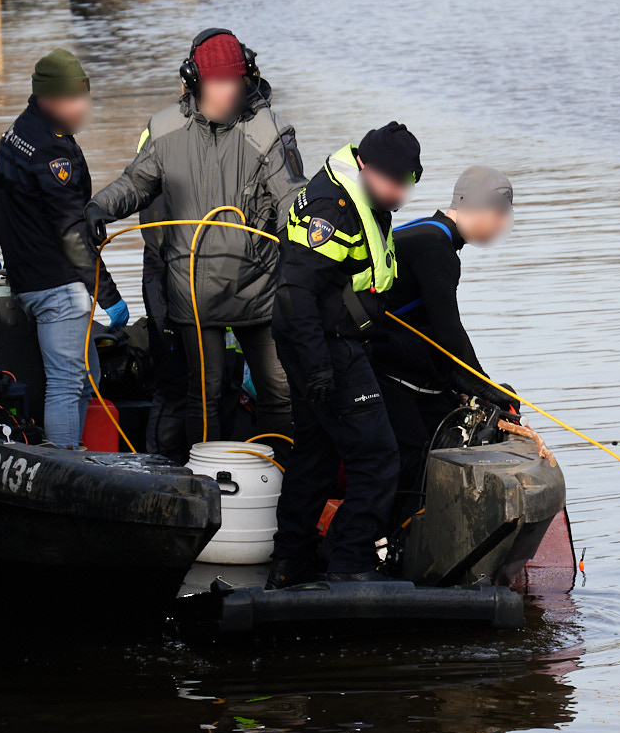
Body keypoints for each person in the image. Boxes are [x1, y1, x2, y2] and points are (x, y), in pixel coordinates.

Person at [89, 29, 304, 458]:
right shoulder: (165, 129)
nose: (228, 91)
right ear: (194, 80)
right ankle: (206, 483)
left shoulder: (270, 131)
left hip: (258, 291)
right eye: (218, 82)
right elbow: (136, 182)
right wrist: (98, 208)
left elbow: (290, 201)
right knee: (203, 396)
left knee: (279, 391)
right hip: (193, 292)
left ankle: (281, 481)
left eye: (235, 81)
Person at [266, 122, 422, 587]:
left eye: (407, 184)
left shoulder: (367, 199)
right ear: (365, 167)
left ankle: (289, 563)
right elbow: (295, 294)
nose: (399, 193)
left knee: (314, 456)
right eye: (393, 183)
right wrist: (317, 366)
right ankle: (349, 565)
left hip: (329, 340)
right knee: (378, 459)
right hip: (321, 345)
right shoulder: (331, 209)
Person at [0, 48, 126, 449]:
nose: (81, 108)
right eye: (73, 100)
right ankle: (65, 465)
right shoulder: (51, 152)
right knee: (67, 382)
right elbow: (72, 233)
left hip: (28, 281)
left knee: (86, 373)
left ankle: (82, 453)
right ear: (49, 99)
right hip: (58, 287)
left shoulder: (16, 134)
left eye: (83, 98)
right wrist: (108, 295)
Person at [371, 165, 519, 525]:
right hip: (380, 365)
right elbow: (449, 332)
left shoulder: (423, 231)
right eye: (501, 217)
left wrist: (467, 386)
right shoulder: (438, 250)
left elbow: (432, 331)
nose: (502, 227)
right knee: (411, 454)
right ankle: (391, 537)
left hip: (389, 356)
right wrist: (486, 388)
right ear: (482, 211)